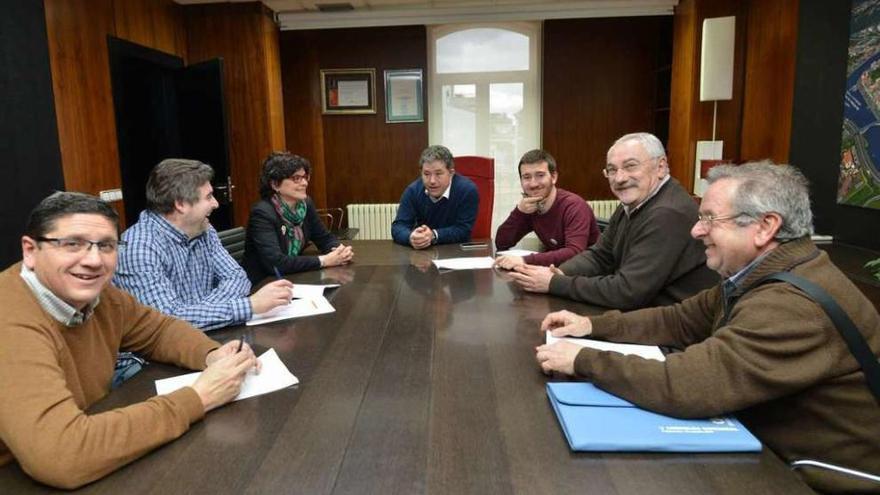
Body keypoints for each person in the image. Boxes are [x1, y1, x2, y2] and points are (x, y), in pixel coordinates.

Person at [535, 163, 880, 494]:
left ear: (765, 227)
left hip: (821, 476)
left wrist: (584, 360)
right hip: (774, 447)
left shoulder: (790, 304)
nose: (696, 230)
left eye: (709, 219)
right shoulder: (761, 274)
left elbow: (687, 385)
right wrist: (591, 325)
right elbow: (679, 319)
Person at [0, 192, 261, 489]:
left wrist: (212, 354)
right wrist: (199, 397)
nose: (94, 260)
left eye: (107, 246)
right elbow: (61, 453)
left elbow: (159, 330)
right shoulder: (10, 317)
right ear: (30, 251)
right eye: (72, 244)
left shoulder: (101, 297)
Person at [510, 132, 716, 309]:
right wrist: (560, 272)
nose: (619, 178)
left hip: (667, 328)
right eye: (612, 170)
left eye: (630, 166)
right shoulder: (635, 202)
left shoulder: (667, 213)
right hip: (644, 312)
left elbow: (627, 291)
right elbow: (600, 255)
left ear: (661, 167)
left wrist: (554, 283)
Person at [114, 159, 292, 330]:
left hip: (206, 337)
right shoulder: (138, 248)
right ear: (181, 204)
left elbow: (237, 277)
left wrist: (197, 313)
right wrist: (249, 306)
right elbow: (166, 322)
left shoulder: (204, 229)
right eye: (208, 197)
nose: (215, 203)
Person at [243, 152, 353, 285]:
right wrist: (324, 260)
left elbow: (324, 237)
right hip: (263, 284)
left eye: (305, 177)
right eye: (296, 178)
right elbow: (275, 263)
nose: (305, 183)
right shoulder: (262, 213)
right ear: (275, 184)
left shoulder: (305, 204)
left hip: (293, 276)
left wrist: (339, 251)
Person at [495, 149, 600, 269]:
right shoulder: (532, 206)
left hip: (587, 274)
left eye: (540, 175)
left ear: (554, 177)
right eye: (526, 177)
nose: (533, 184)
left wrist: (524, 260)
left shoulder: (574, 206)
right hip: (557, 270)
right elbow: (501, 242)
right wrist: (519, 212)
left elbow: (574, 253)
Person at [391, 145, 479, 249]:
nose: (432, 181)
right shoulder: (413, 191)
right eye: (426, 174)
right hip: (423, 256)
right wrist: (411, 237)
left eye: (438, 174)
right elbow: (398, 227)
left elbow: (463, 230)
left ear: (451, 173)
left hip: (456, 252)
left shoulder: (467, 190)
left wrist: (433, 235)